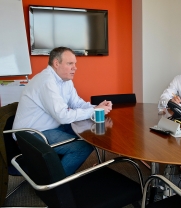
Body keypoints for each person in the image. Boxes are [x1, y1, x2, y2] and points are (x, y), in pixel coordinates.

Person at [12, 47, 113, 176]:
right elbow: (62, 116)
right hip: (31, 134)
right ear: (56, 63)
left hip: (50, 127)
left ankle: (59, 172)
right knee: (83, 148)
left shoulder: (65, 81)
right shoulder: (46, 81)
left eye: (75, 64)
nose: (75, 67)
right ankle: (55, 184)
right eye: (70, 63)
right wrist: (94, 111)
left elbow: (77, 103)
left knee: (90, 134)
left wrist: (96, 107)